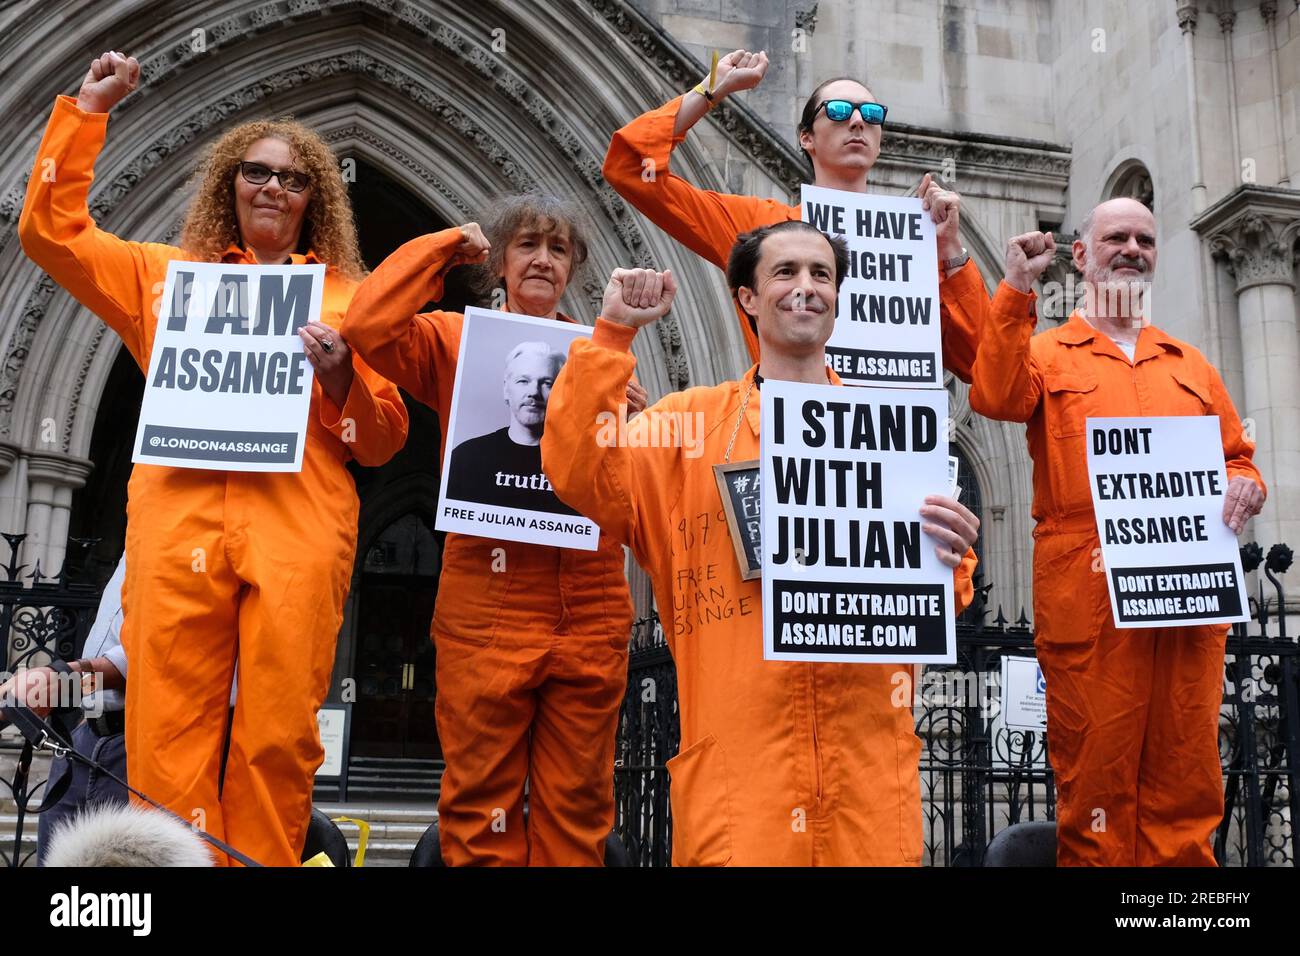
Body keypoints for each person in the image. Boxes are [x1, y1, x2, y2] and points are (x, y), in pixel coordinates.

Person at [19, 51, 408, 865]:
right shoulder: (165, 280)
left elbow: (383, 438)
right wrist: (87, 111)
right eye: (256, 173)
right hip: (179, 520)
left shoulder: (348, 296)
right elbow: (51, 234)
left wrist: (340, 375)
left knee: (277, 735)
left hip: (298, 525)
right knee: (168, 735)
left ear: (316, 199)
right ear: (229, 183)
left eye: (295, 179)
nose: (273, 188)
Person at [542, 220, 980, 865]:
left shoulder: (891, 431)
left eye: (821, 274)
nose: (805, 288)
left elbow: (945, 594)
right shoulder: (685, 427)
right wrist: (611, 336)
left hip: (866, 786)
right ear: (746, 298)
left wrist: (952, 548)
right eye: (785, 272)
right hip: (742, 787)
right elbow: (581, 471)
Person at [343, 196, 644, 866]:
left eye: (559, 249)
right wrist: (444, 247)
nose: (543, 259)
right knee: (485, 807)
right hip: (489, 596)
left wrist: (630, 423)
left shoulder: (601, 354)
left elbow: (621, 483)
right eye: (528, 245)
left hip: (588, 593)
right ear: (500, 262)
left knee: (581, 805)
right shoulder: (456, 339)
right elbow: (367, 324)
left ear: (573, 271)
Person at [968, 199, 1266, 866]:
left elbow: (1236, 457)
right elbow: (991, 394)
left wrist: (1248, 483)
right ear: (1081, 255)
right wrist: (1016, 289)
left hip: (1185, 604)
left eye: (1145, 239)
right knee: (1096, 788)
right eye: (1116, 238)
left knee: (1187, 782)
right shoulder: (1045, 352)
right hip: (1090, 601)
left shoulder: (1190, 364)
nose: (1132, 249)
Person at [603, 51, 988, 375]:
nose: (857, 121)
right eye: (838, 111)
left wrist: (950, 249)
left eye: (871, 114)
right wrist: (710, 90)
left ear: (879, 138)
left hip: (891, 451)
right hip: (791, 446)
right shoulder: (761, 227)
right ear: (806, 138)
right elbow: (631, 168)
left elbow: (981, 365)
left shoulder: (913, 243)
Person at [444, 342, 579, 515]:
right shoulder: (466, 457)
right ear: (506, 389)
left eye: (547, 383)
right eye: (523, 381)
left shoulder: (580, 466)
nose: (534, 392)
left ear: (562, 393)